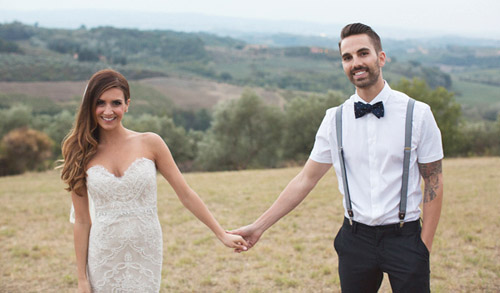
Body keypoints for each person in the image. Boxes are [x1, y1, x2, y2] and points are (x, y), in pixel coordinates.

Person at [231, 23, 444, 292]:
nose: (356, 63)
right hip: (355, 240)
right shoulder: (335, 119)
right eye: (347, 57)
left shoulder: (418, 114)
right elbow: (305, 179)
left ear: (381, 57)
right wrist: (259, 227)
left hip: (406, 238)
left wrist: (424, 247)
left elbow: (434, 181)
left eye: (363, 53)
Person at [60, 69, 247, 293]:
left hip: (145, 252)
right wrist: (82, 278)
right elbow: (82, 221)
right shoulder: (79, 152)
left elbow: (185, 194)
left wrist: (221, 233)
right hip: (104, 254)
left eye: (116, 103)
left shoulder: (151, 143)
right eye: (100, 103)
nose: (108, 111)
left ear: (127, 104)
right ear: (90, 105)